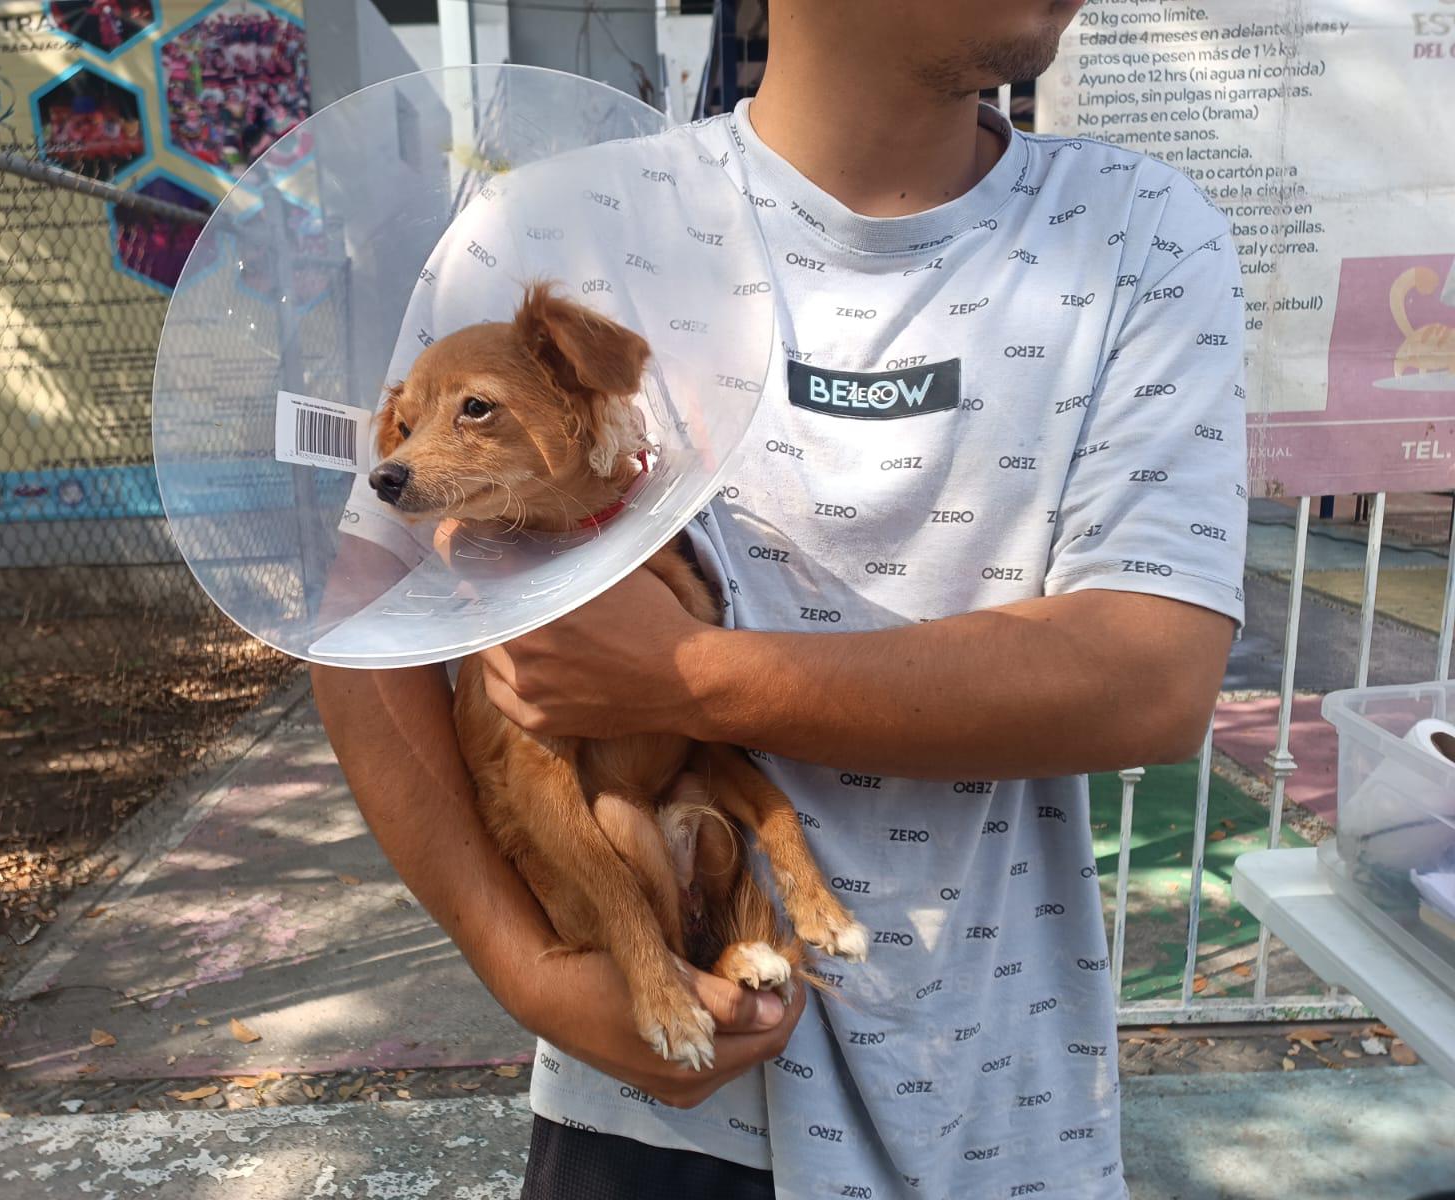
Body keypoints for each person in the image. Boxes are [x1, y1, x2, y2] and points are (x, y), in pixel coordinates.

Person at [311, 1, 1247, 1196]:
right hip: (657, 1101)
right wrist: (532, 969)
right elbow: (359, 617)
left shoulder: (1138, 235)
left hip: (1005, 1106)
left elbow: (1150, 681)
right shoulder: (550, 231)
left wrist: (685, 674)